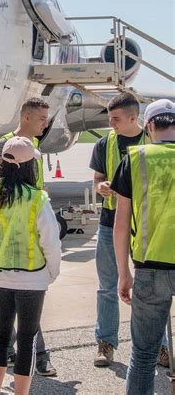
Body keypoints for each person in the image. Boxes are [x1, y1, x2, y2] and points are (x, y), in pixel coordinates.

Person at [0, 136, 61, 395]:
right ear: (29, 165)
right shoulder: (38, 198)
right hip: (33, 280)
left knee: (0, 336)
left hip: (0, 279)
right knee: (27, 339)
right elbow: (51, 243)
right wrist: (51, 273)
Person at [90, 91, 168, 367]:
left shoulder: (152, 143)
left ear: (134, 118)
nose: (111, 124)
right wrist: (101, 188)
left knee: (151, 293)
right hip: (111, 222)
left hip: (146, 226)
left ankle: (160, 346)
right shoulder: (103, 144)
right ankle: (106, 343)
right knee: (108, 287)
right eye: (110, 119)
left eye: (116, 119)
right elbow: (97, 180)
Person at [112, 98, 175, 395]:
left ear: (149, 126)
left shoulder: (135, 158)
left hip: (150, 270)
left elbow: (121, 223)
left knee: (144, 356)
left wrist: (123, 273)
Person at [0, 96, 56, 377]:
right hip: (8, 239)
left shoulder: (36, 146)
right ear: (27, 118)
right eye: (42, 118)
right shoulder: (4, 145)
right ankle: (38, 357)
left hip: (30, 235)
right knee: (20, 308)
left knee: (28, 306)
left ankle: (22, 354)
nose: (46, 123)